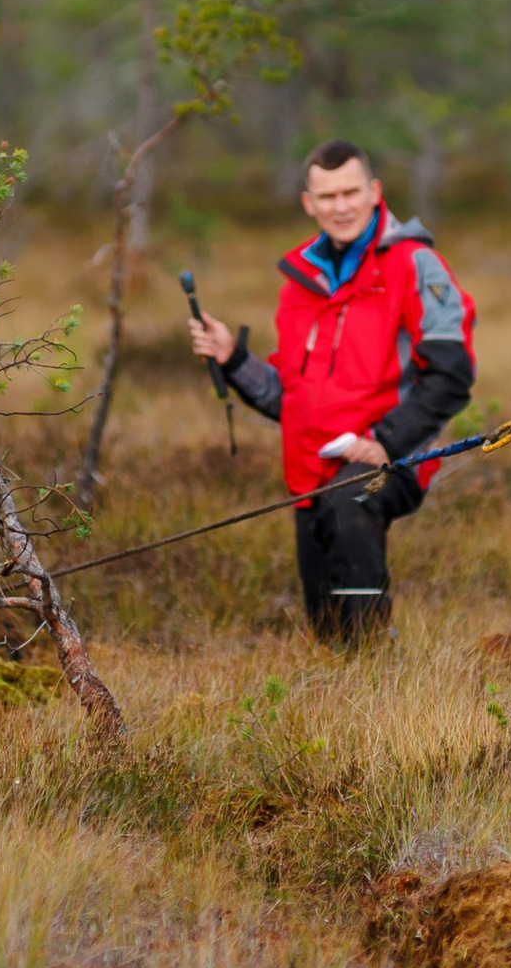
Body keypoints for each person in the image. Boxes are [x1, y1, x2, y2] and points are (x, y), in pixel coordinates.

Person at [187, 140, 477, 644]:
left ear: (374, 192)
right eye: (327, 196)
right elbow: (291, 398)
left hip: (393, 455)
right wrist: (232, 357)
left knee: (351, 513)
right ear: (309, 203)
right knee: (325, 630)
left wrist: (386, 442)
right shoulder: (300, 281)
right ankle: (347, 693)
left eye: (350, 192)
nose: (340, 207)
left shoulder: (415, 264)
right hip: (310, 469)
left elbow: (451, 374)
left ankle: (379, 676)